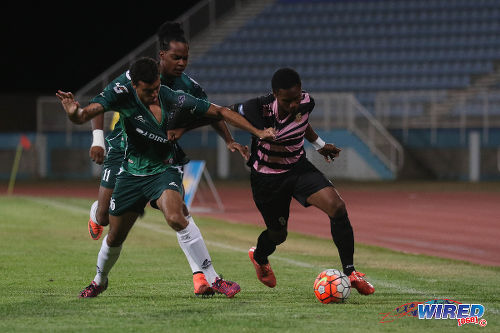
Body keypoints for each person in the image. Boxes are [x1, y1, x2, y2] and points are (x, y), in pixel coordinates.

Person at [56, 57, 276, 298]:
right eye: (147, 90)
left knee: (176, 217)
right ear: (135, 86)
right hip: (131, 174)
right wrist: (72, 112)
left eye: (156, 88)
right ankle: (99, 280)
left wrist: (257, 132)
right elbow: (84, 114)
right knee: (115, 236)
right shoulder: (122, 97)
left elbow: (220, 111)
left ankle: (214, 278)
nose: (154, 94)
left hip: (163, 171)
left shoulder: (172, 97)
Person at [86, 22, 248, 296]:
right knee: (104, 219)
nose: (183, 63)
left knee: (178, 213)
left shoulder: (187, 86)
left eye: (186, 57)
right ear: (161, 55)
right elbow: (99, 102)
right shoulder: (131, 79)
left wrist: (229, 139)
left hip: (162, 157)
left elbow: (214, 112)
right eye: (177, 57)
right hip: (122, 151)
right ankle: (96, 218)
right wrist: (97, 140)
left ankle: (203, 276)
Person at [229, 68, 375, 295]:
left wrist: (319, 144)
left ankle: (350, 272)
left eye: (296, 98)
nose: (294, 104)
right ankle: (259, 256)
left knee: (337, 206)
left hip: (297, 167)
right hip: (267, 178)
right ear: (275, 94)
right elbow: (227, 112)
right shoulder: (258, 106)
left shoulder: (307, 102)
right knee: (278, 235)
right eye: (288, 101)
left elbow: (302, 122)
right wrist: (257, 131)